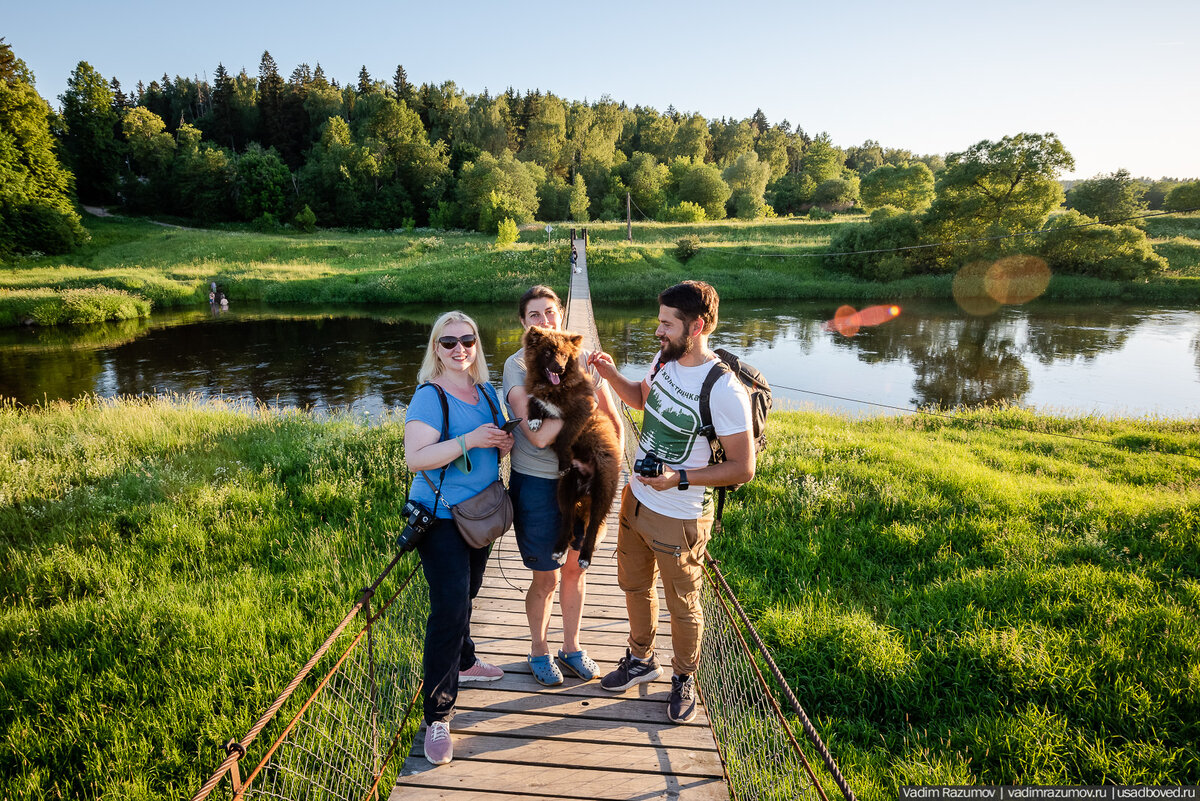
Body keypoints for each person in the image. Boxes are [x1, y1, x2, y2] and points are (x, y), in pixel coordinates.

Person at [588, 280, 754, 724]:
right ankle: (641, 659)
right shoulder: (665, 359)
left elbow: (742, 468)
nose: (658, 331)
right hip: (636, 500)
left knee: (683, 604)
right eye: (659, 321)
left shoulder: (724, 389)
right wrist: (611, 377)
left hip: (680, 516)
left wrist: (679, 477)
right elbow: (642, 400)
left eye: (666, 323)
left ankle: (684, 678)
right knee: (634, 587)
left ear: (697, 326)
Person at [404, 310, 514, 766]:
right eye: (448, 342)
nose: (459, 349)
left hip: (480, 513)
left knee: (467, 594)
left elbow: (495, 437)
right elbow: (417, 457)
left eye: (467, 340)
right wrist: (470, 440)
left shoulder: (488, 392)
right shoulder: (429, 397)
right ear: (436, 348)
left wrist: (500, 442)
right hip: (442, 518)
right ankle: (438, 714)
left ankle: (465, 662)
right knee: (449, 610)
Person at [502, 286, 622, 687]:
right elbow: (537, 436)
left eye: (551, 312)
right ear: (524, 323)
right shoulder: (517, 366)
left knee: (575, 570)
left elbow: (613, 421)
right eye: (535, 315)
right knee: (547, 577)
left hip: (582, 481)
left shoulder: (582, 358)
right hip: (538, 482)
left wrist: (606, 472)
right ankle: (539, 649)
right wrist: (581, 406)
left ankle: (571, 647)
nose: (545, 321)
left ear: (563, 313)